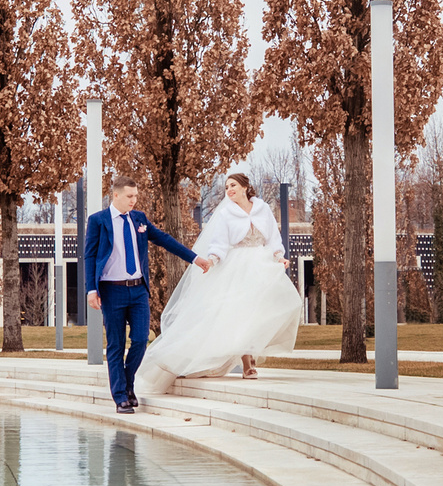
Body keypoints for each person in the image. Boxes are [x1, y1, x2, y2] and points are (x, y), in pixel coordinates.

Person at [136, 171, 302, 399]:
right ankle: (248, 362)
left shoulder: (263, 209)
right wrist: (212, 260)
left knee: (269, 309)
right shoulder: (226, 214)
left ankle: (252, 352)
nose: (229, 190)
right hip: (237, 266)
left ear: (245, 187)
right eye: (227, 187)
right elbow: (219, 243)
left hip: (262, 264)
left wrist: (279, 256)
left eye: (233, 185)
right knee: (241, 313)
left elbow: (273, 237)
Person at [84, 177, 207, 414]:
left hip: (139, 289)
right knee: (116, 345)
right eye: (129, 196)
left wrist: (194, 258)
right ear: (116, 195)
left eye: (136, 196)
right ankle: (121, 396)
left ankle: (127, 383)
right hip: (112, 290)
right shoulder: (98, 220)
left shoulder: (139, 218)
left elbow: (164, 239)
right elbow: (89, 256)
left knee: (141, 340)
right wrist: (91, 289)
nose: (134, 200)